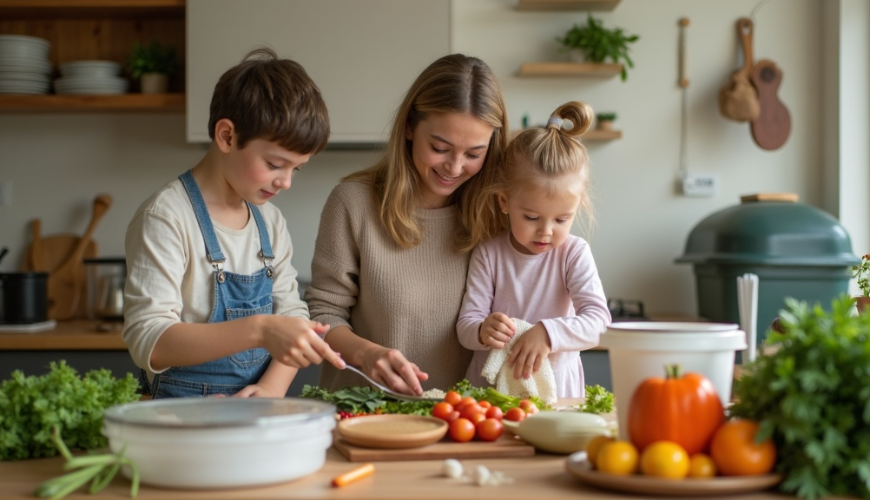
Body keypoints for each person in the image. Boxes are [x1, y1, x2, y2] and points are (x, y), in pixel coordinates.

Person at [122, 48, 345, 399]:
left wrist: (271, 387)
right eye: (275, 164)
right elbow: (149, 341)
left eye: (296, 169)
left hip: (258, 411)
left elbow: (291, 315)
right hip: (184, 415)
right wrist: (260, 330)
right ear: (227, 136)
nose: (285, 182)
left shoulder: (269, 221)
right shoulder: (167, 217)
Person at [304, 53, 509, 395]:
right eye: (440, 147)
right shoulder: (353, 204)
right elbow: (323, 315)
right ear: (410, 127)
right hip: (366, 417)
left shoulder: (497, 216)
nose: (455, 167)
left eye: (474, 154)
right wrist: (367, 354)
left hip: (463, 421)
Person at [456, 101, 611, 399]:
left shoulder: (573, 253)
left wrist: (547, 333)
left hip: (556, 388)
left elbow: (600, 324)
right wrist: (482, 331)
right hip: (492, 390)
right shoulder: (489, 254)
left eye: (562, 219)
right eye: (531, 217)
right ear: (504, 202)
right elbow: (466, 327)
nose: (546, 231)